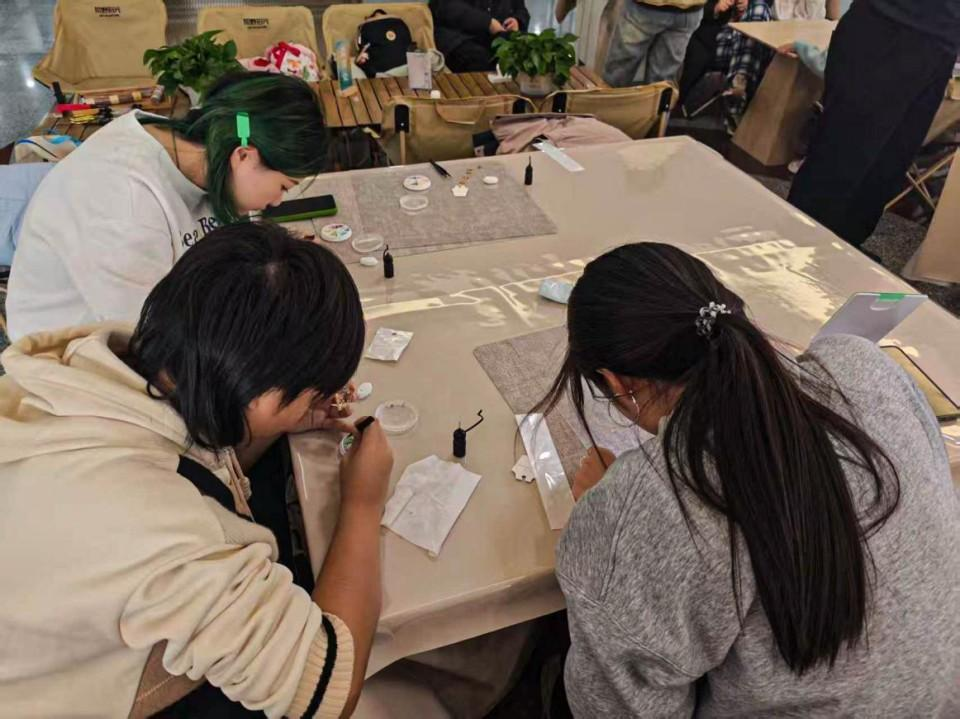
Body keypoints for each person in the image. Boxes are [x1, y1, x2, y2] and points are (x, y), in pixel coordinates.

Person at [536, 243, 960, 715]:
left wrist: (607, 516)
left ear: (618, 384)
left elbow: (620, 709)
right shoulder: (863, 365)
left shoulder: (644, 506)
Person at [0, 223, 393, 717]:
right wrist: (362, 503)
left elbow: (192, 455)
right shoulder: (161, 527)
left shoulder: (104, 360)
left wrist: (277, 420)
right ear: (260, 393)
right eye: (313, 392)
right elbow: (326, 689)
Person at [6, 71, 329, 342]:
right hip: (70, 357)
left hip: (153, 320)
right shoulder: (127, 205)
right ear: (244, 156)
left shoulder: (201, 147)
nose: (277, 202)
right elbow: (155, 342)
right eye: (284, 186)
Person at [788, 0, 960, 248]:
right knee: (842, 158)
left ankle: (844, 248)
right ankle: (794, 247)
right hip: (888, 26)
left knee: (889, 163)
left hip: (941, 42)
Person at [603, 0, 707, 87]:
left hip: (646, 8)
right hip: (689, 10)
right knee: (662, 83)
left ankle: (608, 104)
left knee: (617, 74)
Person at [678, 0, 747, 108]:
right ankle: (741, 85)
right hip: (707, 31)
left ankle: (741, 81)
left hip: (740, 33)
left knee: (759, 9)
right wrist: (714, 8)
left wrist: (747, 4)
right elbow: (686, 6)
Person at [429, 0, 530, 72]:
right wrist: (487, 23)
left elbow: (521, 10)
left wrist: (517, 21)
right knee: (482, 61)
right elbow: (446, 7)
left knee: (529, 56)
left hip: (498, 36)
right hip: (458, 36)